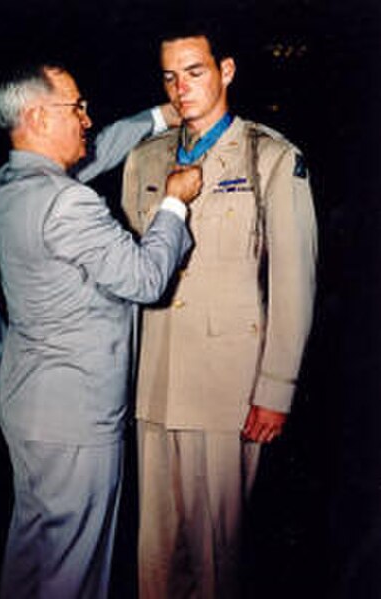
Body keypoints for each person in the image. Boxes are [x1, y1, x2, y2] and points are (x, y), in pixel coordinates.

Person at [0, 61, 202, 599]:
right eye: (77, 107)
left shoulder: (12, 182)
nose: (88, 118)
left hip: (31, 407)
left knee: (32, 554)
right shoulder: (66, 202)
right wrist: (175, 202)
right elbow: (146, 278)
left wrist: (161, 115)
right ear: (38, 117)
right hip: (75, 419)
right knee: (74, 572)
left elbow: (99, 149)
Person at [122, 23, 318, 598]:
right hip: (155, 381)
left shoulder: (271, 158)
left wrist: (275, 388)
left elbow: (294, 282)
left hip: (226, 389)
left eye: (195, 71)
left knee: (217, 559)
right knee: (154, 559)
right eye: (169, 76)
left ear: (226, 70)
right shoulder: (145, 159)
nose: (180, 88)